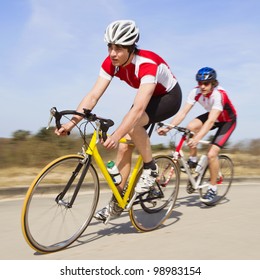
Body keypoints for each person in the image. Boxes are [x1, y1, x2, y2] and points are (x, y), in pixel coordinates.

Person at [55, 20, 182, 222]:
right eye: (110, 47)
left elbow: (139, 109)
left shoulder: (146, 64)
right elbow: (93, 96)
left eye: (119, 48)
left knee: (133, 124)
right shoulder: (110, 63)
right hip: (147, 99)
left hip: (169, 97)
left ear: (131, 49)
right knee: (123, 148)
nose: (112, 53)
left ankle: (150, 169)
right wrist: (71, 124)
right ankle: (117, 202)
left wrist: (117, 134)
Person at [158, 67, 237, 203]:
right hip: (213, 116)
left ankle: (213, 188)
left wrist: (198, 138)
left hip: (227, 121)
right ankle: (193, 160)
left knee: (212, 154)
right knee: (190, 128)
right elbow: (183, 112)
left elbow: (211, 120)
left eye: (206, 84)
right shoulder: (195, 92)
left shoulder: (219, 95)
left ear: (213, 83)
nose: (202, 86)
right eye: (200, 83)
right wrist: (169, 127)